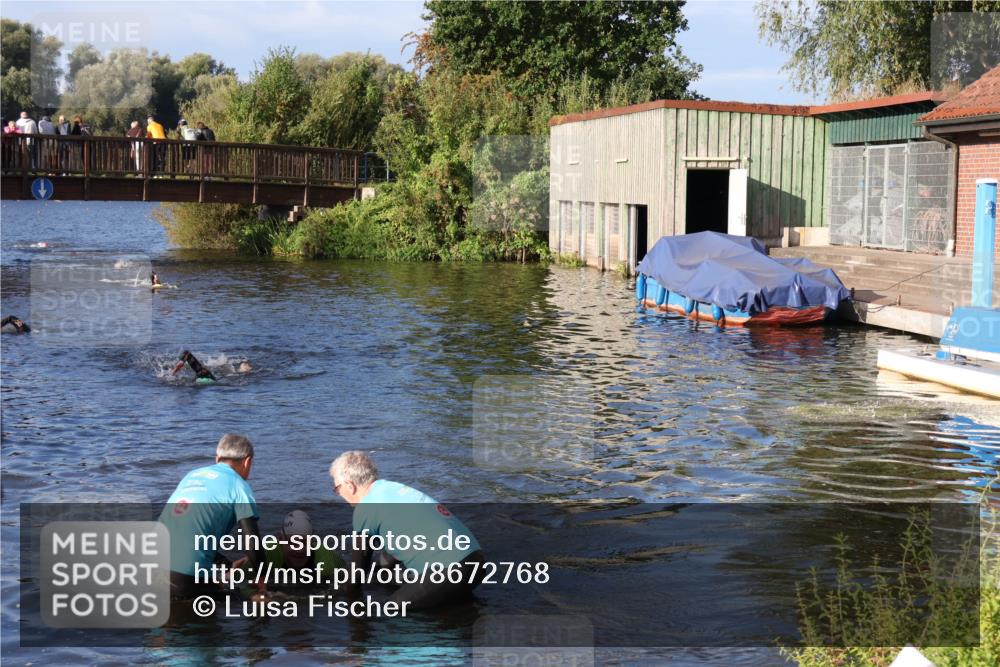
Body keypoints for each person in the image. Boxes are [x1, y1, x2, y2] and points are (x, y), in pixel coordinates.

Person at [329, 451, 485, 610]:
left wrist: (340, 600)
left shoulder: (365, 508)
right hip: (477, 562)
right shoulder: (394, 489)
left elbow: (356, 574)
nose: (339, 494)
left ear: (350, 485)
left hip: (448, 571)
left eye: (337, 488)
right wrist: (379, 572)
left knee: (388, 611)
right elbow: (394, 552)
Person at [159, 434, 267, 599]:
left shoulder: (191, 476)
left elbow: (185, 531)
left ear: (217, 459)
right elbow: (251, 539)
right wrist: (262, 579)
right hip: (186, 576)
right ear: (247, 462)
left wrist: (226, 565)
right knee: (252, 601)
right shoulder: (239, 486)